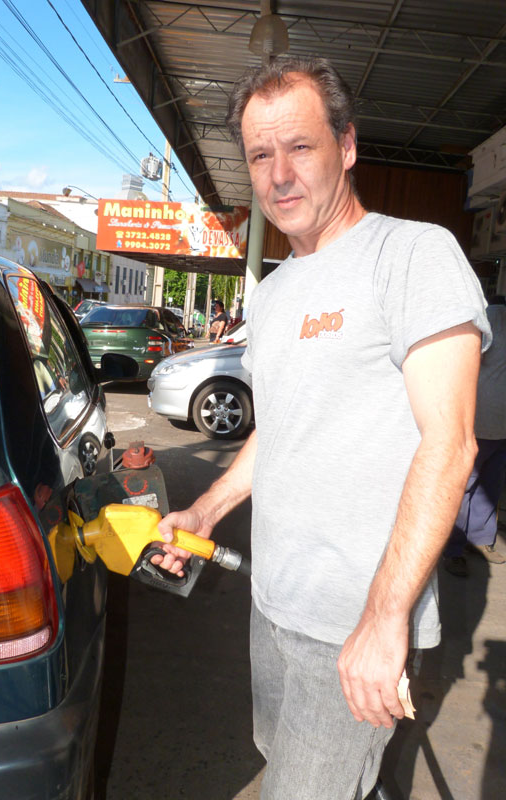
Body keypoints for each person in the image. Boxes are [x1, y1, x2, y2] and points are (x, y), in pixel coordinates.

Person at [152, 56, 491, 799]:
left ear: (347, 145)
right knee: (294, 769)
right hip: (273, 607)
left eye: (299, 147)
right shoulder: (274, 293)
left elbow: (451, 441)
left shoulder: (411, 255)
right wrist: (203, 512)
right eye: (261, 155)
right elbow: (278, 431)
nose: (278, 175)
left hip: (352, 623)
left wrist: (383, 618)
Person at [443, 295, 506, 577]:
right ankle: (453, 549)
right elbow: (464, 357)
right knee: (464, 487)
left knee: (490, 487)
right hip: (478, 423)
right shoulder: (494, 316)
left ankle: (479, 540)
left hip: (502, 429)